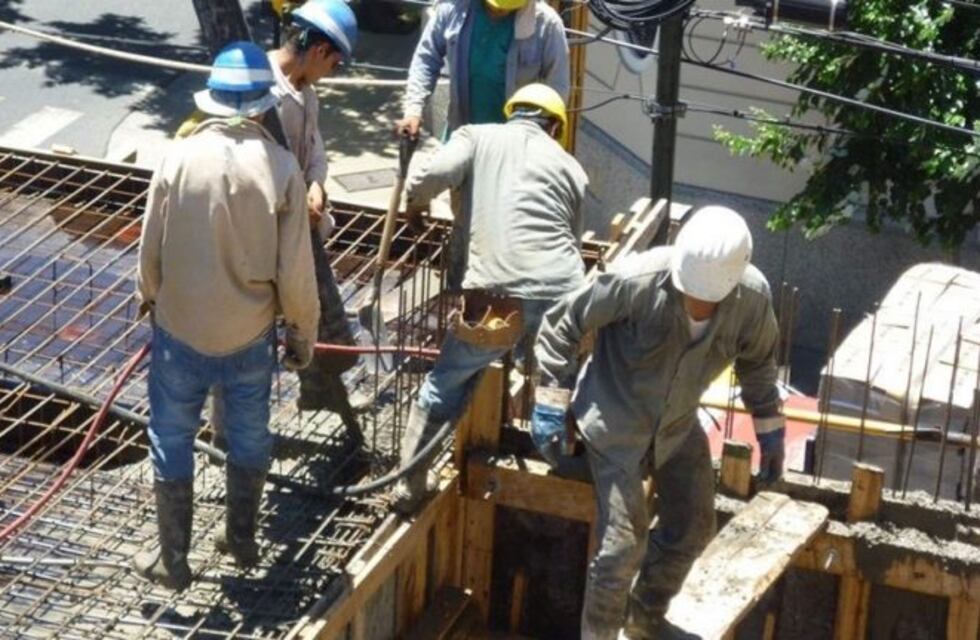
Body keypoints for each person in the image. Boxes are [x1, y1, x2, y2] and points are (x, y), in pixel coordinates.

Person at [531, 207, 786, 639]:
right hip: (615, 423)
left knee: (693, 527)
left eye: (709, 297)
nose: (698, 302)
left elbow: (759, 364)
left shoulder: (753, 300)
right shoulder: (636, 280)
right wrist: (551, 401)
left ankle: (644, 618)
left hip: (677, 425)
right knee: (622, 547)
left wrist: (770, 429)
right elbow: (563, 323)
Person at [134, 41, 318, 590]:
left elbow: (151, 247)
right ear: (262, 104)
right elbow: (296, 274)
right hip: (248, 335)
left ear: (211, 100)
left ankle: (173, 560)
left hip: (180, 329)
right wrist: (301, 335)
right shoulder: (282, 168)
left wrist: (149, 297)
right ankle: (240, 539)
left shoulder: (177, 156)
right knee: (249, 435)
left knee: (170, 436)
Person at [391, 83, 588, 514]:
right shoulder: (572, 168)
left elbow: (427, 176)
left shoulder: (476, 136)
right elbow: (571, 239)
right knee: (557, 381)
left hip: (497, 293)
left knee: (447, 380)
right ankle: (562, 464)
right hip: (562, 293)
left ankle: (408, 486)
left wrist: (414, 205)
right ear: (555, 126)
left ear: (513, 112)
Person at [267, 0, 366, 424]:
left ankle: (317, 393)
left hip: (300, 228)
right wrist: (294, 199)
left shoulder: (305, 95)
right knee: (272, 317)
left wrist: (318, 184)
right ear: (320, 50)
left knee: (312, 313)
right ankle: (231, 427)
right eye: (336, 64)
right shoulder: (264, 92)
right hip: (267, 232)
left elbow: (316, 152)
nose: (332, 74)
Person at [396, 0, 570, 139]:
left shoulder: (547, 25)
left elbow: (558, 87)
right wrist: (413, 110)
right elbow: (426, 59)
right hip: (461, 135)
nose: (502, 10)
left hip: (515, 148)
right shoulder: (453, 8)